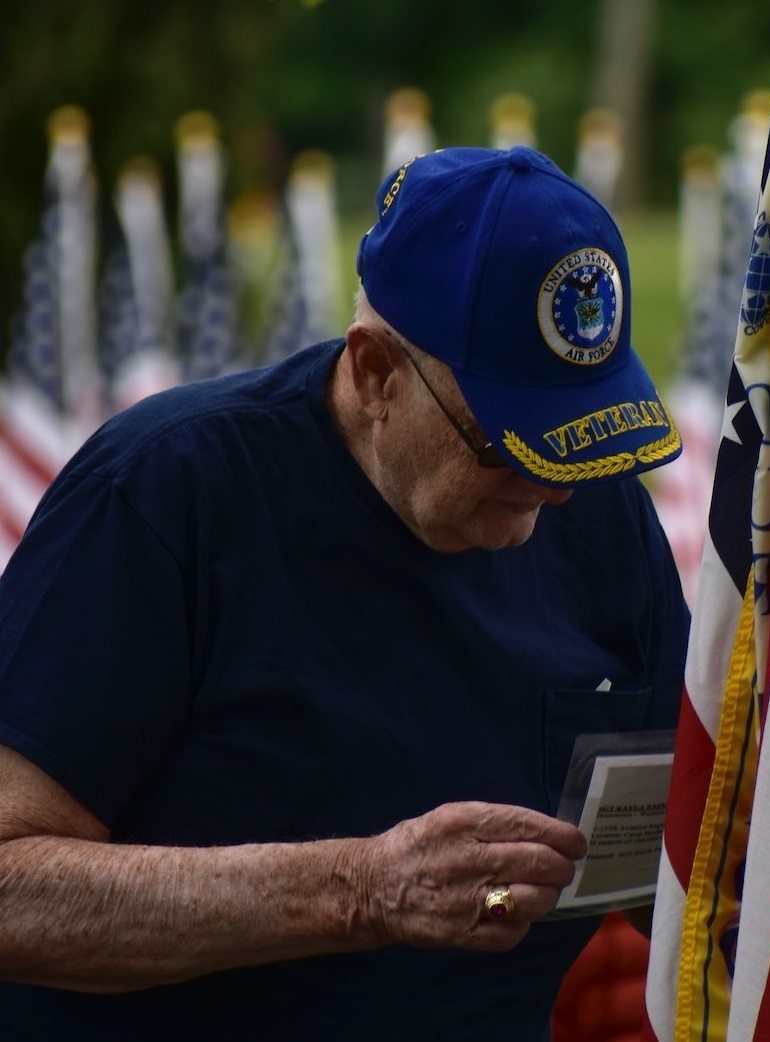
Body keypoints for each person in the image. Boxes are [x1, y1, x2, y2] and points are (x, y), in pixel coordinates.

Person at [0, 145, 690, 1040]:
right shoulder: (166, 495)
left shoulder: (597, 517)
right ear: (374, 374)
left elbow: (691, 840)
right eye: (505, 444)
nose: (552, 490)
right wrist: (361, 887)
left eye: (580, 441)